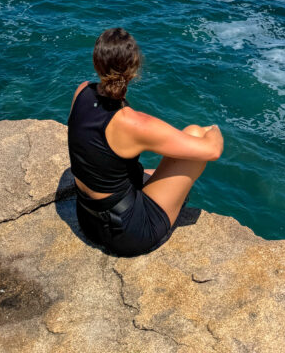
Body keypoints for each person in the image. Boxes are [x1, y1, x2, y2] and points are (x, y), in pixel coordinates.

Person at [67, 26, 224, 257]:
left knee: (149, 166)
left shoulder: (81, 91)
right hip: (125, 233)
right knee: (196, 133)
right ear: (134, 69)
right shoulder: (132, 123)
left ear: (96, 62)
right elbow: (212, 151)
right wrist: (215, 129)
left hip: (88, 217)